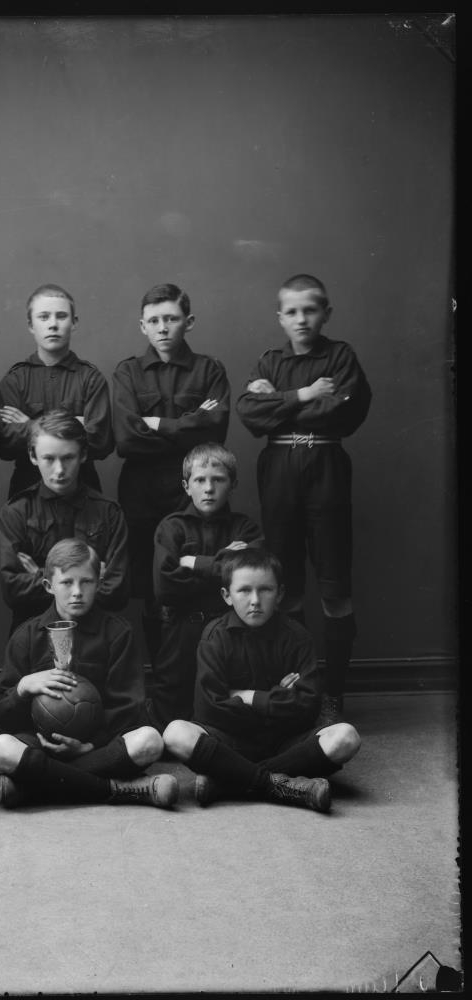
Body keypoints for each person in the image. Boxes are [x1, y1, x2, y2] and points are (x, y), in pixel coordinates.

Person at [235, 274, 372, 725]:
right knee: (284, 583)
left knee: (334, 585)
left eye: (310, 310)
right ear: (280, 317)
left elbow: (342, 410)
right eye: (291, 311)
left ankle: (332, 695)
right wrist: (305, 394)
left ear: (325, 313)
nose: (301, 319)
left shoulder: (340, 356)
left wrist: (277, 402)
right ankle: (296, 691)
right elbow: (250, 414)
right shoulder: (269, 360)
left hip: (326, 467)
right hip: (278, 471)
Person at [163, 548, 361, 813]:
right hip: (230, 743)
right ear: (227, 595)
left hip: (286, 743)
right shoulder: (214, 637)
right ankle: (276, 784)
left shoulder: (297, 637)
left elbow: (309, 705)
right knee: (175, 733)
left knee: (346, 737)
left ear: (279, 594)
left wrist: (246, 696)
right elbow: (209, 709)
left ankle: (230, 782)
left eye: (265, 590)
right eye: (244, 590)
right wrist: (279, 697)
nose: (255, 600)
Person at [0, 539, 179, 810]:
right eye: (67, 582)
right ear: (48, 585)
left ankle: (36, 787)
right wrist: (22, 688)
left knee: (149, 741)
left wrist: (89, 745)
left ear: (99, 583)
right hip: (40, 745)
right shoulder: (26, 636)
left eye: (86, 582)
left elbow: (128, 708)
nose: (77, 592)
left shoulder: (118, 633)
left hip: (96, 748)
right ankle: (115, 789)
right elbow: (0, 713)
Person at [112, 283, 231, 665]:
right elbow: (126, 439)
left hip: (193, 492)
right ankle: (163, 679)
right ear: (142, 325)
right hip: (141, 493)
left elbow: (215, 432)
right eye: (154, 320)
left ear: (188, 322)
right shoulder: (128, 372)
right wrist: (188, 425)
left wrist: (159, 424)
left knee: (197, 576)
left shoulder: (209, 370)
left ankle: (200, 674)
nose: (162, 327)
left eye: (171, 319)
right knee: (152, 589)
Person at [149, 443, 263, 730]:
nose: (209, 488)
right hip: (181, 633)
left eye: (218, 480)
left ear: (233, 484)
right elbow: (165, 587)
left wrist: (194, 563)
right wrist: (224, 566)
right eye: (200, 480)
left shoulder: (246, 529)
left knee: (227, 710)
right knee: (171, 713)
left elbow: (250, 579)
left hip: (230, 633)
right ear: (186, 486)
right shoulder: (171, 527)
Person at [0, 410, 129, 633]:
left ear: (83, 455)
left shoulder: (109, 513)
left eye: (68, 458)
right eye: (49, 458)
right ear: (33, 457)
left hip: (98, 635)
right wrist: (90, 578)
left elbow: (117, 592)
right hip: (35, 634)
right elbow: (13, 591)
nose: (59, 470)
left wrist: (40, 575)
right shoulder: (16, 512)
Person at [0, 283, 113, 497]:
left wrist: (30, 425)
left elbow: (100, 442)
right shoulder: (14, 380)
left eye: (61, 316)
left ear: (74, 322)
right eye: (43, 317)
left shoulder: (91, 379)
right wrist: (76, 424)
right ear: (31, 325)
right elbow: (6, 445)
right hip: (27, 491)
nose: (53, 324)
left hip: (83, 491)